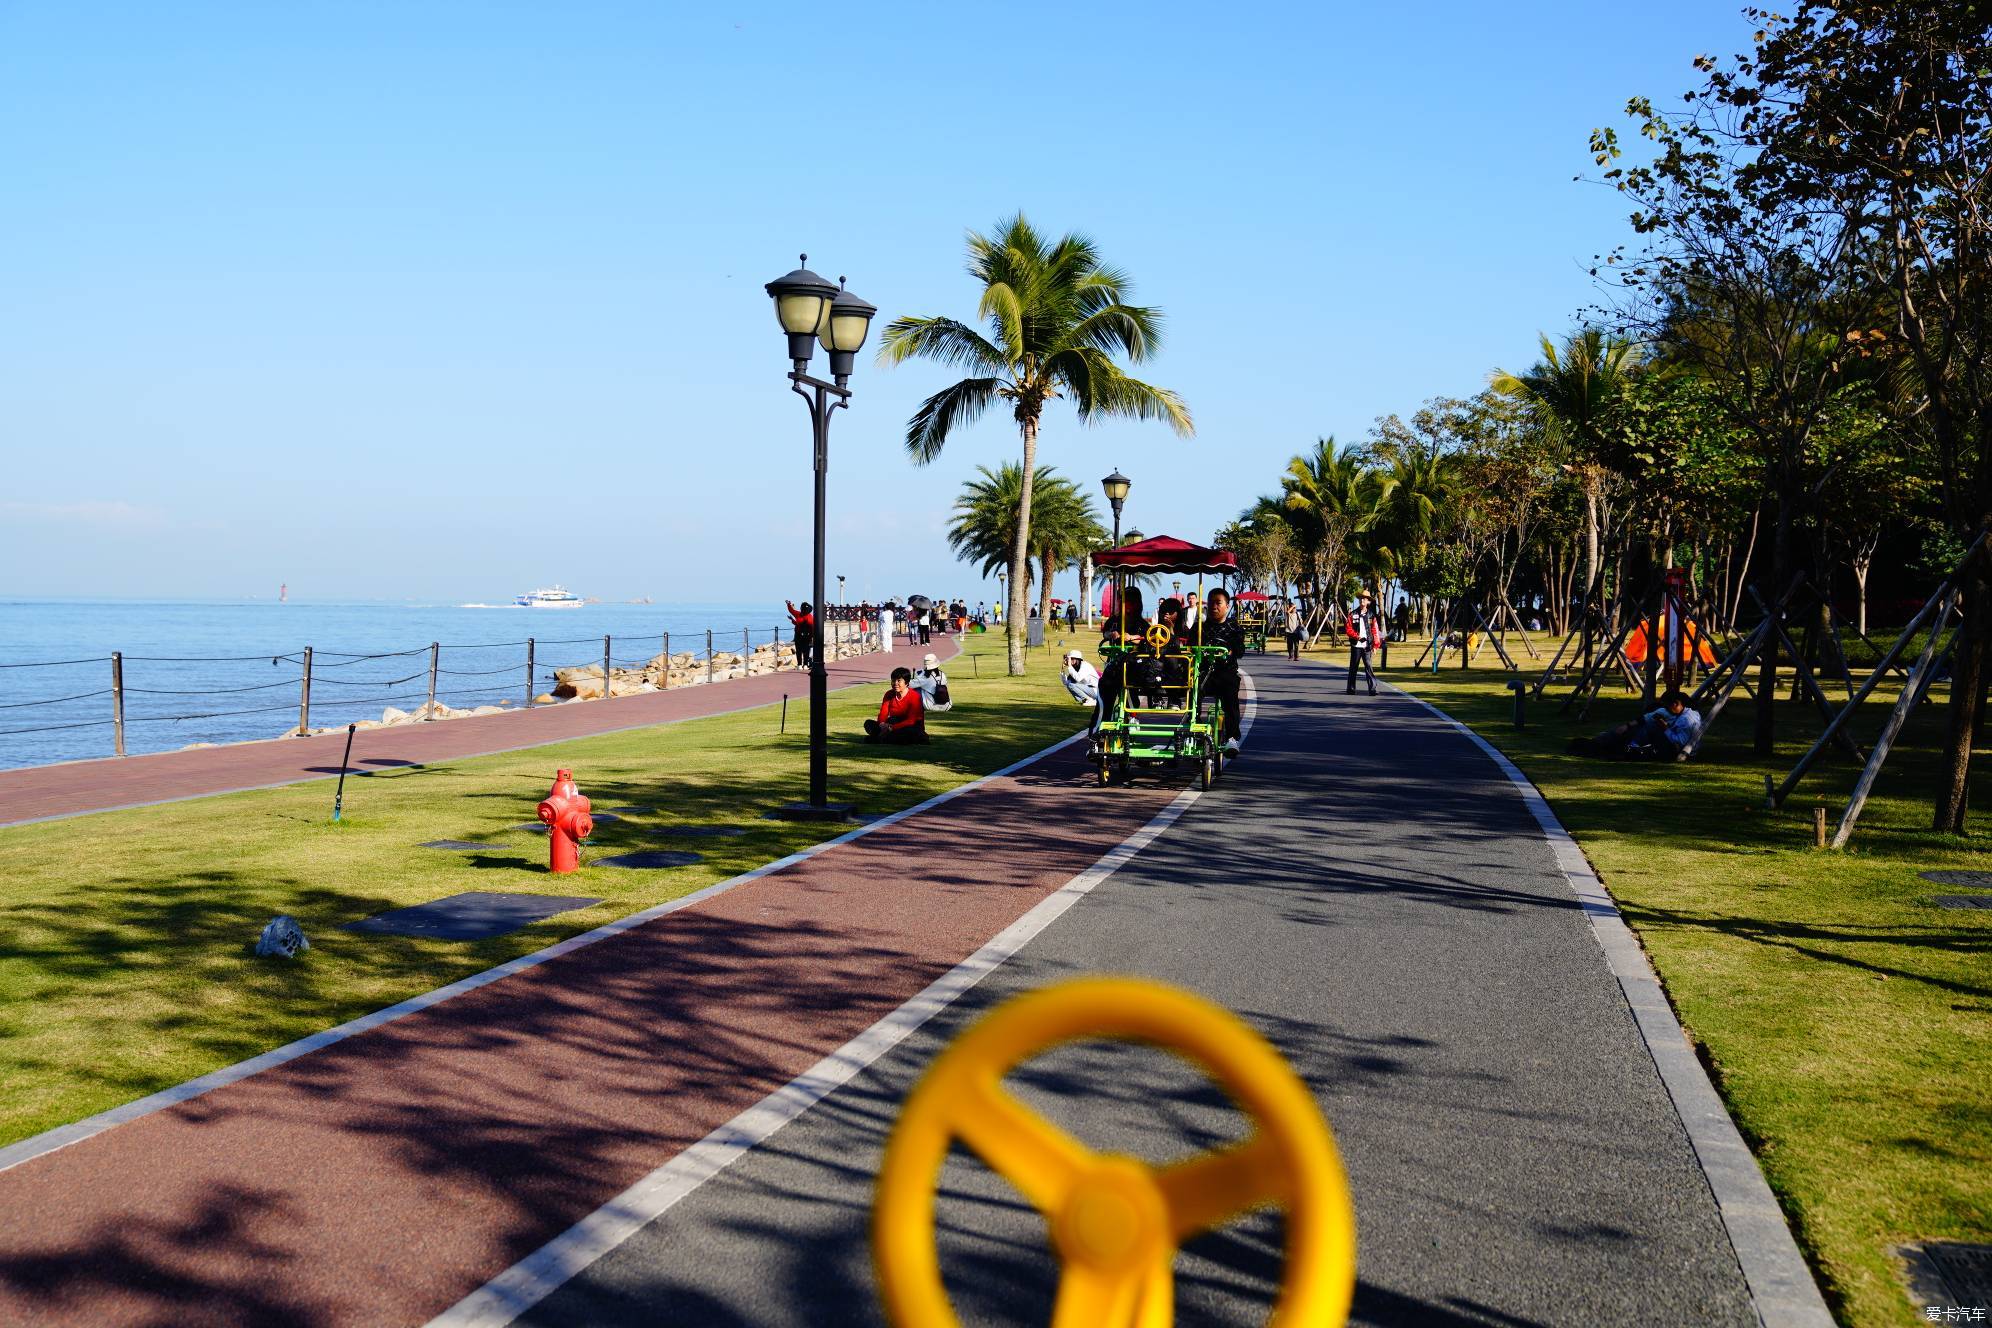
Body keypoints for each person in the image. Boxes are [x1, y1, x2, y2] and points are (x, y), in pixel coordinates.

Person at [1569, 690, 1704, 760]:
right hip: (1670, 744)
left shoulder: (1686, 720)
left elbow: (1679, 741)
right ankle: (1610, 741)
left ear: (1676, 703)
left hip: (1675, 749)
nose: (1667, 709)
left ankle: (1625, 744)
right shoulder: (1684, 714)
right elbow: (1648, 717)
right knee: (1643, 725)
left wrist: (1665, 727)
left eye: (1668, 706)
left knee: (1649, 728)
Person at [1098, 584, 1150, 723]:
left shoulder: (1142, 624)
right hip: (1114, 664)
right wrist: (1112, 634)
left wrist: (1132, 637)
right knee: (1106, 691)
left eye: (1131, 601)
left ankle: (1132, 719)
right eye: (1124, 600)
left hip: (1134, 666)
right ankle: (1103, 724)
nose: (1127, 605)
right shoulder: (1114, 620)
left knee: (1130, 692)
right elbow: (1106, 633)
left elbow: (1149, 639)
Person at [1202, 588, 1245, 754]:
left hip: (1226, 673)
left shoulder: (1234, 628)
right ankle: (1193, 730)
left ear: (1227, 606)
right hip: (1205, 673)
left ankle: (1232, 738)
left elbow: (1240, 650)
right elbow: (1190, 646)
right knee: (1193, 689)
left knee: (1230, 696)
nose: (1214, 606)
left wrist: (1230, 650)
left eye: (1218, 603)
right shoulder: (1201, 628)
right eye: (1211, 602)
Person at [864, 667, 929, 744]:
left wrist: (892, 728)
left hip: (910, 726)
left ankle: (880, 738)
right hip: (892, 724)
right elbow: (883, 713)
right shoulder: (889, 694)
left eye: (899, 681)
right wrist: (882, 724)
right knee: (868, 723)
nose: (895, 683)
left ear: (907, 682)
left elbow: (911, 720)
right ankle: (885, 738)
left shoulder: (914, 696)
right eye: (893, 680)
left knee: (908, 732)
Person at [1345, 591, 1382, 695]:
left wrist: (1376, 645)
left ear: (1368, 601)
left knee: (1369, 667)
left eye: (1365, 599)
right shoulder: (1352, 614)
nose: (1362, 600)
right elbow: (1348, 629)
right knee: (1353, 667)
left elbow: (1375, 631)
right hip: (1356, 645)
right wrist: (1357, 637)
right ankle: (1351, 688)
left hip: (1367, 646)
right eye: (1361, 598)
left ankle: (1373, 689)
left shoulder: (1371, 615)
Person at [1062, 648, 1103, 739]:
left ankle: (1090, 700)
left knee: (1072, 685)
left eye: (1072, 659)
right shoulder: (1075, 667)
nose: (1070, 661)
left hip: (1096, 690)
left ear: (1077, 659)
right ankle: (1086, 700)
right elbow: (1067, 683)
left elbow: (1078, 678)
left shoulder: (1085, 666)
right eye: (1069, 659)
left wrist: (1069, 667)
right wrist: (1063, 672)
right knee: (1070, 685)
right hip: (1089, 689)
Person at [785, 600, 815, 671]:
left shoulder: (798, 614)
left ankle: (799, 665)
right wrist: (812, 636)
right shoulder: (810, 617)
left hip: (798, 635)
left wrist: (788, 604)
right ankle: (805, 665)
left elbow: (791, 610)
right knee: (806, 651)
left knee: (798, 650)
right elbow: (812, 627)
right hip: (808, 636)